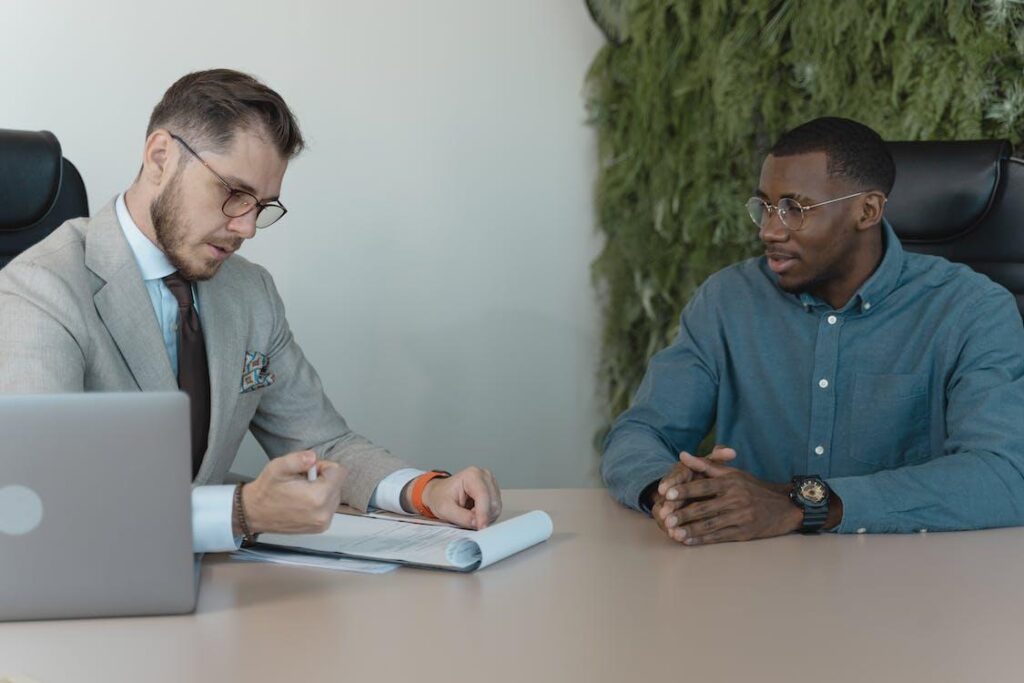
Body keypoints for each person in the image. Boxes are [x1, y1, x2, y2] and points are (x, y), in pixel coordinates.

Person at [0, 69, 501, 552]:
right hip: (90, 602)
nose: (247, 229)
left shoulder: (250, 292)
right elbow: (44, 496)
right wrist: (242, 512)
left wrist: (424, 491)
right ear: (159, 157)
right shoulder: (40, 288)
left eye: (261, 206)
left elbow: (323, 443)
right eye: (233, 194)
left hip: (218, 593)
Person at [602, 117, 1024, 544]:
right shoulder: (728, 301)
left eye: (794, 209)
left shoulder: (971, 311)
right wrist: (673, 492)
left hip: (904, 579)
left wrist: (800, 503)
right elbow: (639, 433)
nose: (769, 229)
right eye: (764, 207)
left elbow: (1005, 475)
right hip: (749, 572)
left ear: (867, 210)